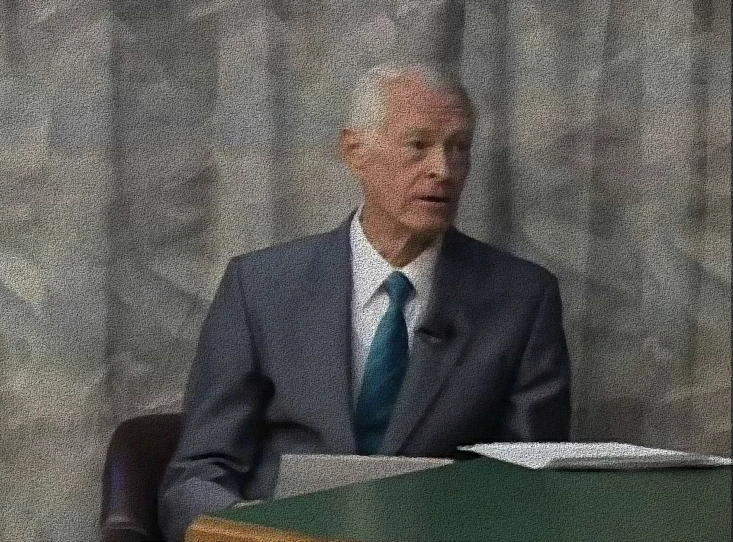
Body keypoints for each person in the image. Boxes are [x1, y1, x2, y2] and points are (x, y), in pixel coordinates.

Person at [158, 63, 571, 542]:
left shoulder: (522, 297)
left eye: (459, 149)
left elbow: (529, 484)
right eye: (419, 145)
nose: (443, 169)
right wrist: (244, 532)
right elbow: (200, 470)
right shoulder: (261, 286)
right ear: (355, 150)